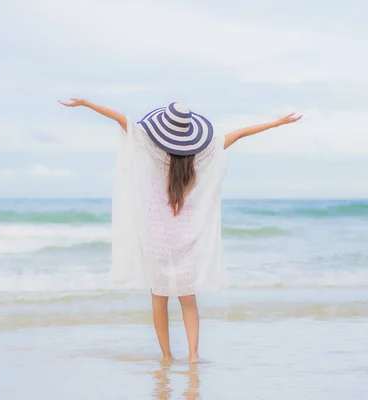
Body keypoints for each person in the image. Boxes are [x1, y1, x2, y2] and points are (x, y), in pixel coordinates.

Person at [59, 98, 302, 363]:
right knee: (188, 298)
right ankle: (194, 355)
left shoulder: (151, 150)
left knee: (159, 297)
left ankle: (166, 355)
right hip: (187, 235)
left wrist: (84, 103)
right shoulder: (202, 156)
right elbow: (241, 133)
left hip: (155, 234)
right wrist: (278, 123)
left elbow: (121, 119)